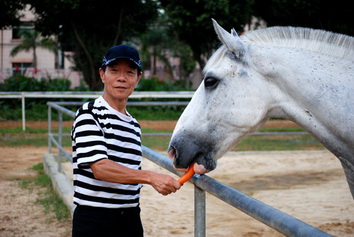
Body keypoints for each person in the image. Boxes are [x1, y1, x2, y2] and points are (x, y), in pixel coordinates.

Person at [71, 44, 181, 237]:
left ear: (138, 78)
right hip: (95, 220)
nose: (121, 78)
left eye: (130, 72)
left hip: (130, 217)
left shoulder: (133, 125)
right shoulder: (89, 114)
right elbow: (100, 168)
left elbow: (126, 170)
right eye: (114, 71)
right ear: (102, 74)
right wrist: (150, 177)